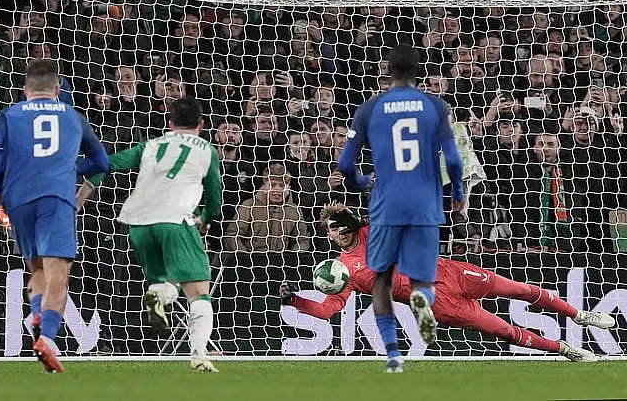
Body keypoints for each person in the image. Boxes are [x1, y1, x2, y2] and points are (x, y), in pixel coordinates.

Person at [280, 203, 615, 363]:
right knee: (504, 331)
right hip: (439, 303)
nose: (340, 231)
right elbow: (327, 311)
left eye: (343, 224)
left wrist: (364, 217)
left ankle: (579, 315)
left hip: (448, 271)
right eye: (333, 228)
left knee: (521, 289)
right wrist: (294, 301)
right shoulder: (340, 271)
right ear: (328, 233)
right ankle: (567, 350)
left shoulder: (371, 231)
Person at [338, 44, 464, 372]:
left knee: (381, 278)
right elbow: (452, 158)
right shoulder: (435, 105)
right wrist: (459, 191)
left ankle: (393, 354)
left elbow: (344, 162)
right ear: (417, 71)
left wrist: (360, 182)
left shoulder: (370, 108)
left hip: (386, 203)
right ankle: (424, 301)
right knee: (422, 278)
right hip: (425, 202)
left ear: (388, 70)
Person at [76, 97, 221, 372]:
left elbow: (107, 164)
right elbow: (215, 196)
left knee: (165, 280)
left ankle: (158, 293)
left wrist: (78, 199)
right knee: (199, 292)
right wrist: (204, 218)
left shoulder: (150, 146)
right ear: (201, 125)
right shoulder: (206, 150)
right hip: (175, 220)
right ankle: (200, 354)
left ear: (169, 124)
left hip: (138, 224)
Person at [0, 59, 109, 373]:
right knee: (59, 273)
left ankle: (39, 316)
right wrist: (69, 169)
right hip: (55, 196)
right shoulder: (72, 115)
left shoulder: (8, 115)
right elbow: (101, 162)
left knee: (37, 267)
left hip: (17, 199)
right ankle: (48, 339)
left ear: (25, 90)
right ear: (57, 89)